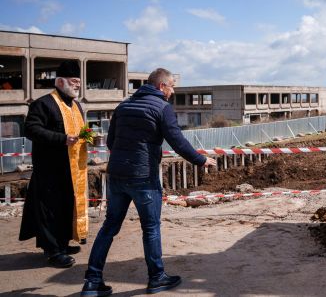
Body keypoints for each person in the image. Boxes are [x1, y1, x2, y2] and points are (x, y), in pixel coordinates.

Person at [82, 68, 216, 296]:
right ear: (161, 86)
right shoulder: (162, 108)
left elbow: (111, 142)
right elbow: (177, 142)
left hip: (116, 175)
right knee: (151, 228)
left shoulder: (123, 106)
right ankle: (156, 278)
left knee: (109, 227)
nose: (173, 91)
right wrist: (202, 160)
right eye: (172, 85)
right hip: (143, 177)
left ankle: (92, 282)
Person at [19, 59, 89, 268]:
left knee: (67, 208)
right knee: (50, 211)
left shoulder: (76, 105)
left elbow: (78, 131)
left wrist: (88, 135)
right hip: (51, 169)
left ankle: (63, 244)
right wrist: (62, 139)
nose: (78, 84)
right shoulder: (43, 104)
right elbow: (31, 129)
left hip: (72, 169)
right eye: (74, 81)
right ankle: (53, 251)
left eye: (79, 81)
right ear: (60, 82)